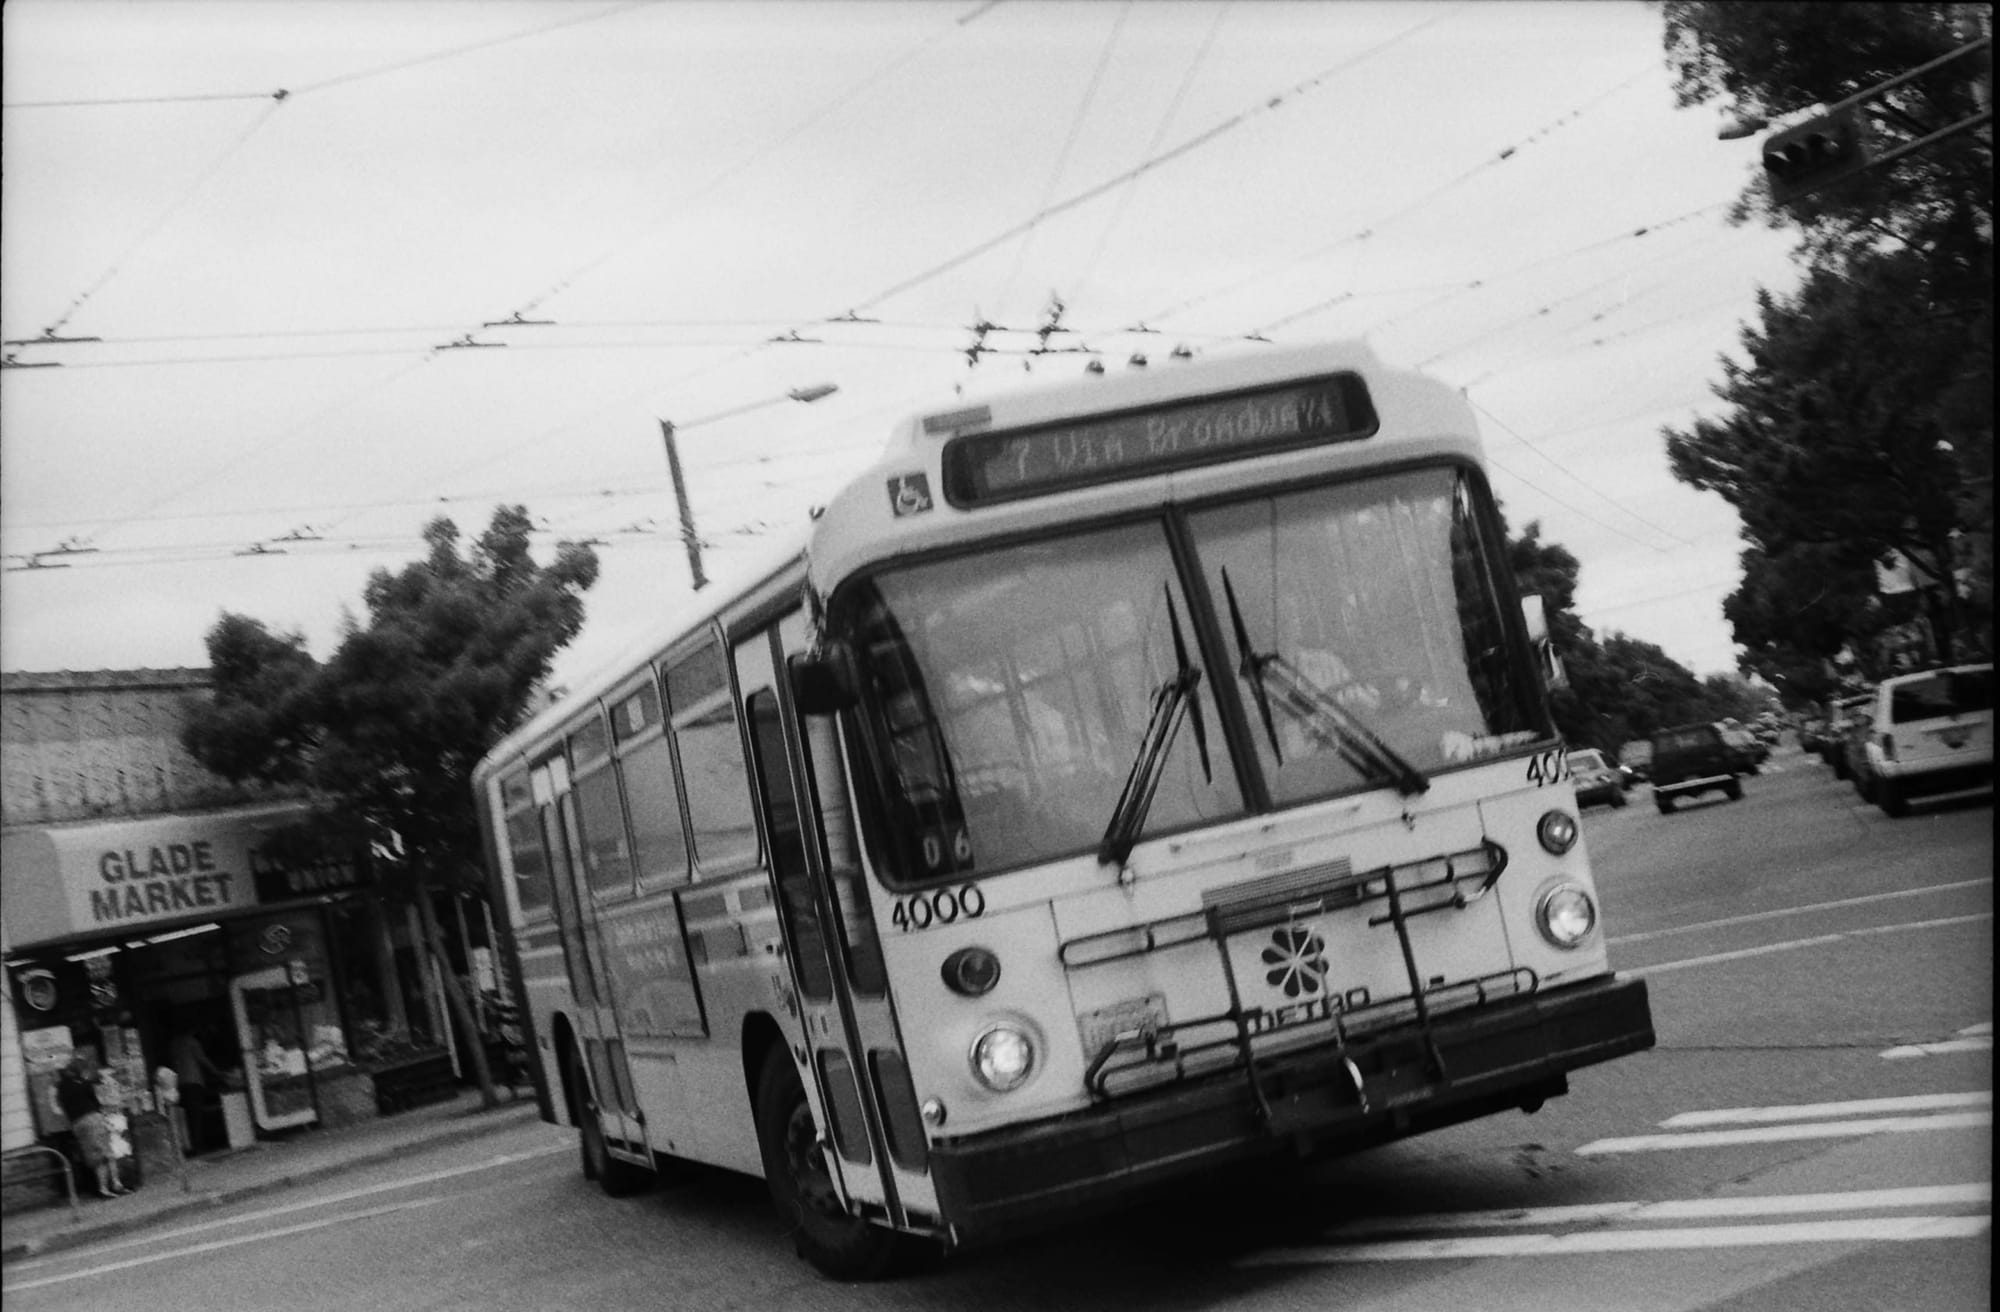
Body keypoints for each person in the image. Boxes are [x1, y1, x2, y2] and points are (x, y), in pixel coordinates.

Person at [55, 1053, 126, 1197]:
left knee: (94, 1157)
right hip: (92, 1118)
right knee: (106, 1153)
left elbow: (62, 1105)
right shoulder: (83, 1083)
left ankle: (103, 1188)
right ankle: (115, 1184)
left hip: (76, 1123)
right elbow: (95, 1101)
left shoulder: (61, 1087)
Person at [169, 1027, 227, 1155]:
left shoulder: (174, 1043)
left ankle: (190, 1146)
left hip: (181, 1083)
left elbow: (174, 1063)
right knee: (196, 1116)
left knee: (188, 1117)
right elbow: (202, 1059)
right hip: (193, 1082)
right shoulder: (191, 1041)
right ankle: (198, 1147)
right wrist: (217, 1072)